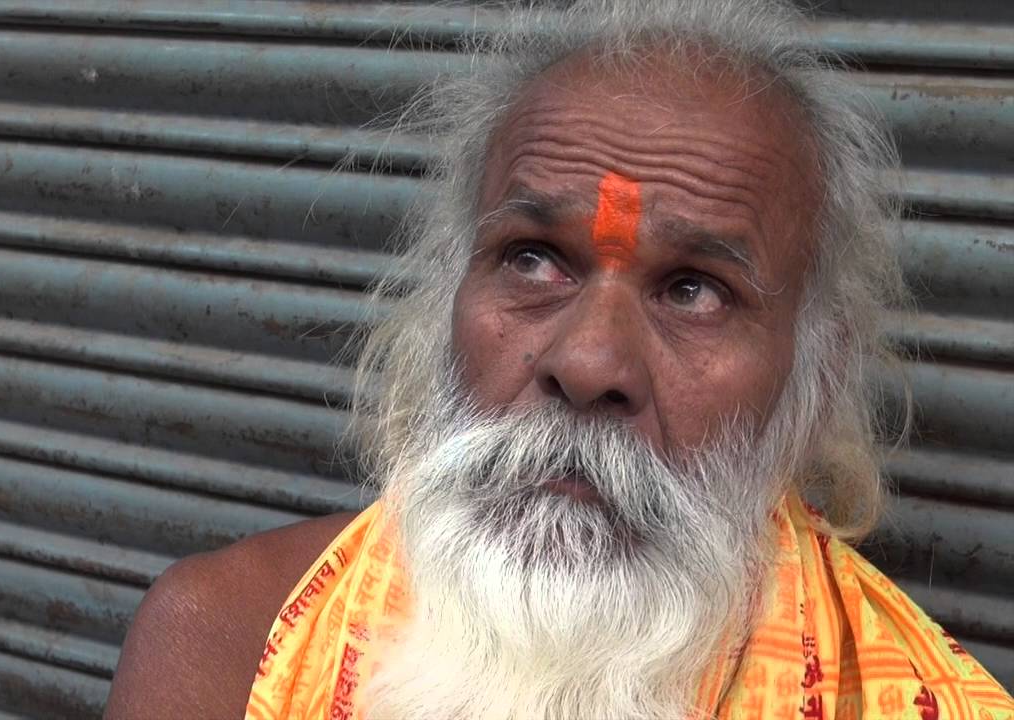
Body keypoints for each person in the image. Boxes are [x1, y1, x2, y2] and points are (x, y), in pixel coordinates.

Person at [104, 1, 1014, 718]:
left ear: (811, 385)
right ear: (446, 306)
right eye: (532, 259)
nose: (587, 363)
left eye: (694, 289)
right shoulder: (227, 645)